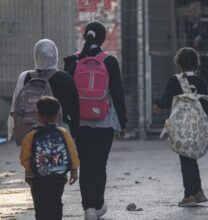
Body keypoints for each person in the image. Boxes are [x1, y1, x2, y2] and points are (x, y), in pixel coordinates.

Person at [153, 47, 208, 207]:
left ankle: (189, 194)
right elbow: (207, 103)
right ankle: (197, 191)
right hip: (197, 126)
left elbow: (167, 99)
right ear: (196, 64)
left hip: (181, 127)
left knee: (186, 160)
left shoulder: (174, 81)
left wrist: (158, 105)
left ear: (179, 64)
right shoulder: (200, 82)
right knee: (191, 159)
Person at [64, 20, 128, 219]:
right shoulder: (109, 61)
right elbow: (117, 94)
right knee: (100, 164)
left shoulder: (73, 61)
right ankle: (98, 204)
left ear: (84, 36)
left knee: (85, 165)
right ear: (103, 38)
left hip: (80, 123)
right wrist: (122, 123)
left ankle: (88, 208)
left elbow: (67, 95)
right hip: (104, 122)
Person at [20, 96, 79, 220]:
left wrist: (28, 172)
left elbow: (25, 157)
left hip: (37, 177)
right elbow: (72, 153)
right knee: (55, 202)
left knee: (40, 205)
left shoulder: (31, 135)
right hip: (59, 177)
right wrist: (73, 170)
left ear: (37, 114)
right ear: (57, 115)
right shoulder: (63, 133)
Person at [9, 39, 80, 143]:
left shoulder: (24, 77)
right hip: (58, 135)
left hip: (30, 134)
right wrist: (74, 135)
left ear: (35, 54)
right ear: (55, 55)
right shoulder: (65, 78)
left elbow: (15, 109)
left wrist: (16, 131)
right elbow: (75, 111)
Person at [184, 1, 208, 85]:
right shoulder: (188, 26)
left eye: (190, 12)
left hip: (207, 60)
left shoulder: (207, 23)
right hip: (193, 61)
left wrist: (202, 36)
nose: (187, 14)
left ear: (197, 12)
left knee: (202, 80)